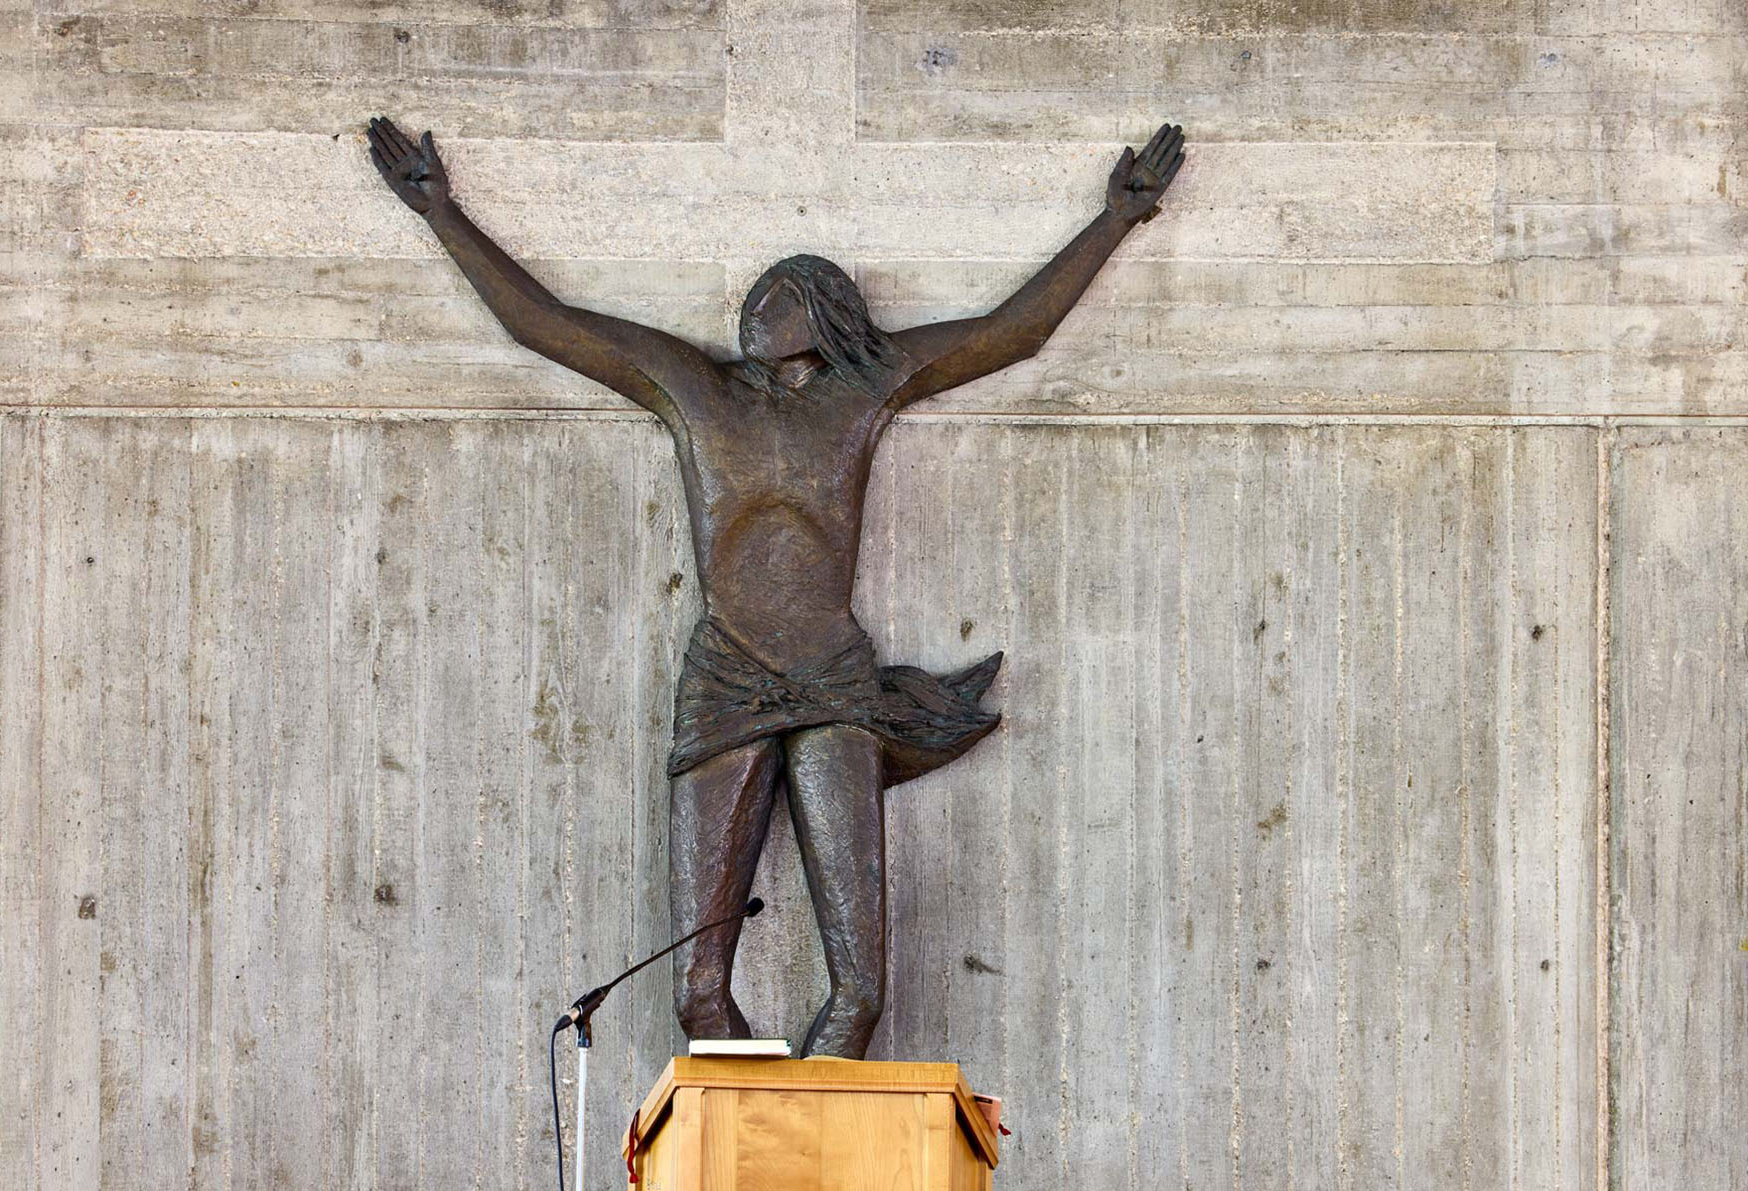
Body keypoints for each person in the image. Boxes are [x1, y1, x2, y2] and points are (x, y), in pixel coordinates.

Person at [367, 116, 1186, 1059]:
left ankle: (820, 1124)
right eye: (755, 296)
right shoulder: (691, 385)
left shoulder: (866, 386)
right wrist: (441, 213)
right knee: (696, 993)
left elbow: (1015, 331)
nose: (756, 309)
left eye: (781, 295)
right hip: (727, 675)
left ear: (827, 313)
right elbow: (545, 323)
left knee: (860, 993)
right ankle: (740, 1126)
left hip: (832, 679)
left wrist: (1114, 221)